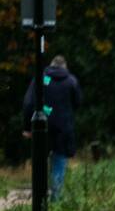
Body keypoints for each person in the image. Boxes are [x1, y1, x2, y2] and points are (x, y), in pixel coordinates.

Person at [22, 54, 82, 201]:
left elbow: (29, 103)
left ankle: (39, 197)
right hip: (63, 128)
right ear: (65, 66)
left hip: (42, 126)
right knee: (59, 162)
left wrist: (27, 127)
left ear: (51, 65)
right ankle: (55, 198)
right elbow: (78, 102)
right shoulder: (71, 81)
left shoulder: (41, 78)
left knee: (40, 161)